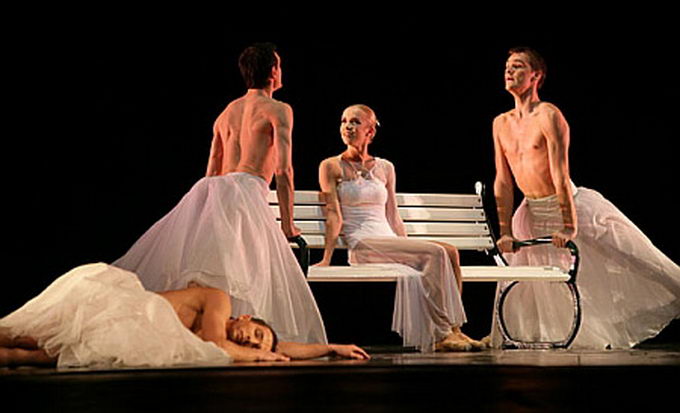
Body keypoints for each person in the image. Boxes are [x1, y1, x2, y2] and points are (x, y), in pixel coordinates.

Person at [113, 43, 326, 345]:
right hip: (245, 192)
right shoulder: (278, 110)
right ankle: (229, 339)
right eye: (279, 65)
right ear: (273, 71)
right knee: (246, 273)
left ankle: (207, 334)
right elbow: (284, 170)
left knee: (213, 271)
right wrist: (288, 224)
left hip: (212, 192)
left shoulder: (227, 112)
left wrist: (204, 211)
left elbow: (213, 167)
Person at [488, 47, 680, 349]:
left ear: (536, 75)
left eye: (518, 66)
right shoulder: (501, 123)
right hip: (531, 212)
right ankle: (534, 334)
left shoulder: (549, 115)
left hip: (570, 205)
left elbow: (560, 174)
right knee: (532, 280)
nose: (509, 72)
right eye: (507, 67)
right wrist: (505, 230)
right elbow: (503, 180)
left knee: (634, 254)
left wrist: (568, 224)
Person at [315, 104, 483, 352]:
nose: (347, 127)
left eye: (355, 122)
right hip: (362, 243)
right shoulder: (331, 166)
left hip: (387, 239)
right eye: (344, 121)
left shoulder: (385, 167)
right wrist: (327, 258)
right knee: (435, 253)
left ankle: (455, 330)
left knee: (450, 252)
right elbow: (333, 214)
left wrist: (408, 246)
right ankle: (440, 334)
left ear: (370, 131)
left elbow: (392, 214)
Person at [0, 264, 369, 368]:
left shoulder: (238, 336)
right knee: (26, 335)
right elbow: (216, 343)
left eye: (256, 344)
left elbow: (280, 348)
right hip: (119, 311)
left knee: (36, 357)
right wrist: (260, 356)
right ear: (245, 317)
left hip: (130, 332)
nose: (251, 341)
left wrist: (330, 347)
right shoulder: (219, 300)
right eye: (256, 333)